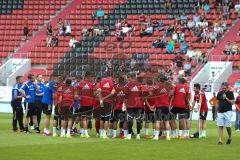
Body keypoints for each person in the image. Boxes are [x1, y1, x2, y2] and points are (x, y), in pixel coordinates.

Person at [153, 75, 173, 140]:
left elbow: (153, 94)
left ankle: (156, 136)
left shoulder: (156, 86)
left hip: (159, 106)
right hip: (166, 106)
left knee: (158, 121)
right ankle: (167, 136)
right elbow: (172, 91)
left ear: (160, 79)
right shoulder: (168, 87)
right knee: (167, 121)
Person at [125, 74, 145, 140]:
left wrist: (125, 102)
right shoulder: (140, 85)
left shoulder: (128, 85)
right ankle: (138, 135)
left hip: (130, 105)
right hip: (139, 105)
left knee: (130, 120)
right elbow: (142, 95)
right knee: (138, 120)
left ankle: (129, 135)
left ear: (131, 77)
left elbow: (126, 95)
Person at [77, 71, 95, 138]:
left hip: (83, 103)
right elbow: (93, 94)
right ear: (88, 76)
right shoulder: (91, 84)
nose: (91, 78)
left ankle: (83, 132)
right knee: (86, 118)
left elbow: (78, 93)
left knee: (84, 118)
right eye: (91, 77)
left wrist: (79, 101)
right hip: (89, 103)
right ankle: (86, 133)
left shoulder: (80, 84)